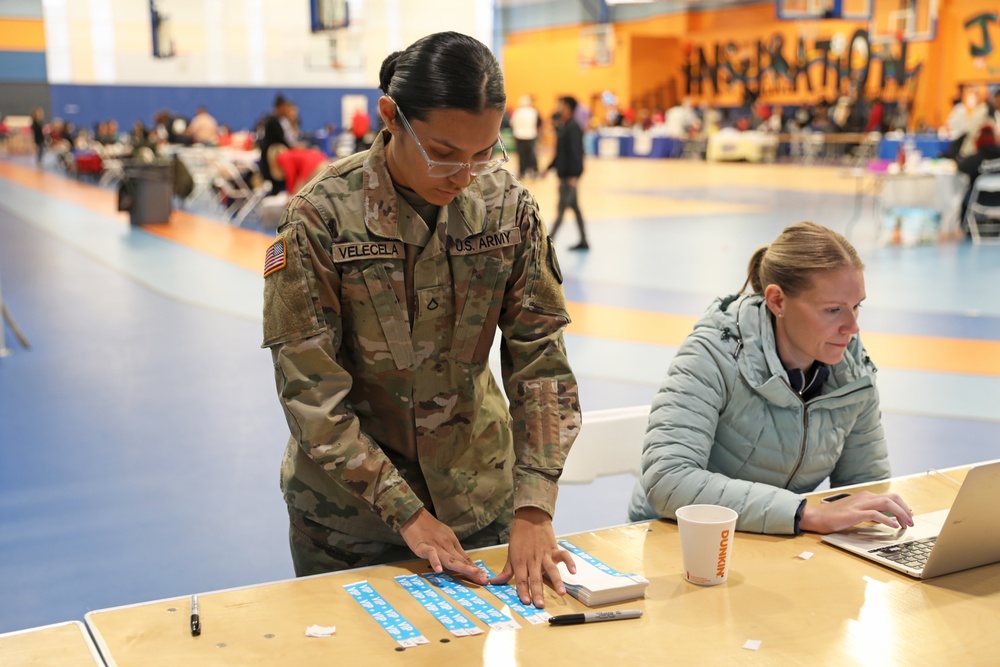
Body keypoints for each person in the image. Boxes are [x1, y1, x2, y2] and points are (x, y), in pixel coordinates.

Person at [261, 31, 582, 609]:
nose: (464, 175)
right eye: (443, 152)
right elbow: (311, 395)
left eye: (484, 153)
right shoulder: (320, 220)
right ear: (390, 116)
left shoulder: (509, 209)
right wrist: (405, 511)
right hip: (348, 524)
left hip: (477, 504)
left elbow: (542, 363)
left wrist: (533, 505)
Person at [628, 222, 914, 536]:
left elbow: (865, 485)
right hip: (679, 543)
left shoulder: (853, 371)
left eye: (856, 306)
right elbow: (669, 480)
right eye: (833, 309)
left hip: (779, 546)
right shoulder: (711, 354)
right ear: (777, 301)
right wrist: (805, 513)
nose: (852, 326)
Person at [547, 95, 588, 250]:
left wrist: (575, 176)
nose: (558, 107)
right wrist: (549, 167)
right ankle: (584, 240)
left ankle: (548, 242)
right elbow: (561, 152)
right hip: (564, 175)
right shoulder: (564, 126)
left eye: (561, 105)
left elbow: (577, 153)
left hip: (569, 177)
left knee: (561, 209)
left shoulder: (573, 127)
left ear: (568, 107)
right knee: (575, 209)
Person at [956, 125, 1000, 234]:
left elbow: (960, 168)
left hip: (980, 199)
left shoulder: (973, 160)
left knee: (964, 194)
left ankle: (965, 229)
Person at [259, 94, 293, 192]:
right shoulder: (272, 122)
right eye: (285, 107)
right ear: (280, 107)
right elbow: (282, 140)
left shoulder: (279, 121)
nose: (287, 110)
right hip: (271, 163)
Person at [509, 95, 540, 179]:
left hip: (519, 136)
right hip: (531, 135)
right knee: (532, 154)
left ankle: (522, 171)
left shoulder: (517, 112)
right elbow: (536, 123)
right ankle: (535, 170)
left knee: (521, 154)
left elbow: (512, 123)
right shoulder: (533, 111)